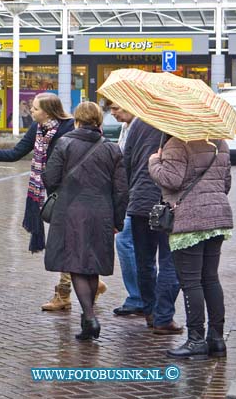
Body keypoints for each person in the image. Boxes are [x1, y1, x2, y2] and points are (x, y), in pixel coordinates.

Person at [0, 93, 106, 311]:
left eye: (35, 108)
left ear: (47, 111)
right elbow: (15, 153)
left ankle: (64, 293)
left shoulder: (69, 128)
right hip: (57, 194)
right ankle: (90, 282)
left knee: (67, 244)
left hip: (76, 195)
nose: (31, 111)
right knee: (68, 244)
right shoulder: (38, 130)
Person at [44, 102, 128, 340]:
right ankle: (86, 319)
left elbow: (50, 178)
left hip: (71, 211)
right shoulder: (112, 149)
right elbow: (121, 190)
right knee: (92, 265)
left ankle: (89, 316)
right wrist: (117, 221)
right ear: (99, 122)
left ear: (77, 121)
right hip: (102, 212)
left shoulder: (64, 143)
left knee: (76, 264)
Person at [149, 137, 233, 359]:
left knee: (191, 281)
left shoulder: (178, 143)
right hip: (217, 216)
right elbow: (226, 183)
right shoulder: (220, 143)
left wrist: (154, 162)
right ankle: (216, 339)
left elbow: (172, 180)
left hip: (189, 220)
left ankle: (196, 339)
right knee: (210, 278)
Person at [123, 117, 182, 334]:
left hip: (139, 200)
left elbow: (126, 160)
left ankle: (150, 311)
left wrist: (131, 192)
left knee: (144, 261)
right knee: (171, 261)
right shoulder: (178, 124)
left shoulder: (139, 122)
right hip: (168, 203)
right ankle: (163, 316)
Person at [104, 99, 146, 318]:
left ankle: (139, 297)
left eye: (116, 108)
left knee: (125, 240)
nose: (113, 114)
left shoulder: (140, 127)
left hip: (137, 195)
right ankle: (141, 296)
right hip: (129, 194)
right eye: (110, 109)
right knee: (133, 244)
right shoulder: (125, 128)